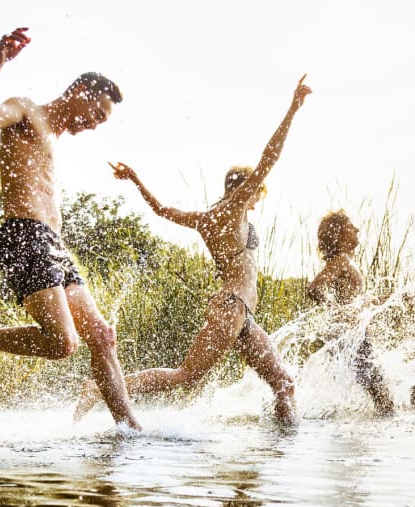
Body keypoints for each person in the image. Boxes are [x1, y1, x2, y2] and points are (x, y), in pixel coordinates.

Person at [0, 27, 140, 430]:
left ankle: (130, 429)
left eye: (102, 121)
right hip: (23, 236)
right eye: (97, 113)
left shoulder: (50, 139)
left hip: (53, 244)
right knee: (63, 344)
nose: (96, 124)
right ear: (80, 90)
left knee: (102, 335)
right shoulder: (26, 110)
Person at [75, 75, 313, 427]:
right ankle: (99, 388)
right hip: (231, 308)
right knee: (185, 375)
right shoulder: (234, 208)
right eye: (253, 191)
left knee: (283, 384)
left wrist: (137, 180)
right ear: (247, 191)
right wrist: (293, 108)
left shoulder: (206, 218)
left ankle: (281, 451)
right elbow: (270, 156)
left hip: (240, 314)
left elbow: (160, 210)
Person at [307, 210, 395, 416]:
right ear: (339, 233)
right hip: (351, 336)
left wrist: (390, 300)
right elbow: (314, 288)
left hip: (354, 336)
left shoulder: (344, 260)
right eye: (351, 226)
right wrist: (340, 314)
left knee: (379, 395)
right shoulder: (340, 261)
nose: (357, 229)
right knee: (384, 399)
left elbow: (355, 302)